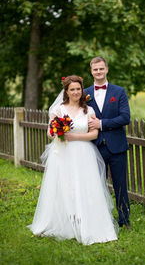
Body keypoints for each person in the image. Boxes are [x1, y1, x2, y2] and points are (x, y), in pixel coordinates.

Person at [27, 75, 118, 245]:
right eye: (72, 90)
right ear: (66, 92)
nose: (76, 92)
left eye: (78, 89)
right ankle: (67, 223)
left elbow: (94, 134)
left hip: (84, 153)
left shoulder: (88, 111)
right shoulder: (59, 110)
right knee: (65, 187)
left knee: (85, 187)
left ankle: (88, 223)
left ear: (82, 90)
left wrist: (73, 136)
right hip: (63, 154)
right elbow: (49, 132)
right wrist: (57, 132)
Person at [85, 57, 130, 228]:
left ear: (107, 69)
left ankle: (124, 221)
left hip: (117, 147)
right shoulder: (85, 94)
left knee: (120, 186)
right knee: (97, 186)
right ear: (91, 71)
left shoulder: (119, 92)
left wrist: (101, 124)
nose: (98, 72)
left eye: (101, 69)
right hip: (95, 147)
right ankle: (100, 222)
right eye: (95, 69)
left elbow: (125, 117)